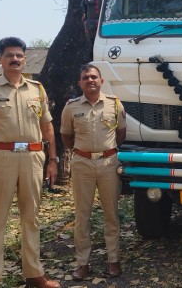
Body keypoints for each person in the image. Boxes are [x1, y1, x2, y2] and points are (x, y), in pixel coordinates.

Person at [0, 37, 60, 288]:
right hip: (1, 158)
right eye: (9, 55)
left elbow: (47, 126)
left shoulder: (36, 89)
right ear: (0, 60)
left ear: (25, 59)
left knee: (31, 218)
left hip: (32, 158)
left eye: (19, 55)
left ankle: (34, 275)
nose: (15, 59)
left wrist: (52, 159)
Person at [61, 64, 127, 280]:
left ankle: (113, 260)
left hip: (108, 163)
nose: (90, 80)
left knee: (111, 213)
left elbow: (121, 133)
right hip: (82, 165)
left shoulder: (114, 104)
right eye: (85, 78)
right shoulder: (71, 107)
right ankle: (83, 263)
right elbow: (67, 137)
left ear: (101, 80)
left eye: (93, 77)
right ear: (79, 82)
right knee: (82, 215)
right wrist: (85, 153)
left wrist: (104, 152)